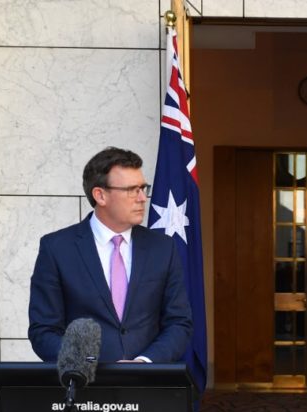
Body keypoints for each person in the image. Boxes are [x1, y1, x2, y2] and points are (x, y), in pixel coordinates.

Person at [28, 147, 192, 363]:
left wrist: (144, 362)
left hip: (150, 385)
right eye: (132, 189)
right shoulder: (57, 248)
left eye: (143, 188)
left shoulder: (163, 248)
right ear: (100, 195)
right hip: (86, 387)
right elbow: (44, 330)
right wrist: (91, 364)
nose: (143, 198)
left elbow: (179, 322)